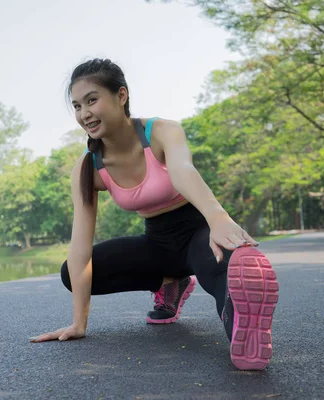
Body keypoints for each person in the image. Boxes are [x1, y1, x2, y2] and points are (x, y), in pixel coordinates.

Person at [30, 58, 279, 371]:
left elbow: (183, 171)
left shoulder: (161, 131)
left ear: (121, 95)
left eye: (92, 100)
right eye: (77, 106)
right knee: (72, 272)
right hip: (157, 246)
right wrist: (78, 323)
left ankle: (244, 334)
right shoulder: (88, 166)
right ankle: (169, 283)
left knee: (223, 277)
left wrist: (218, 219)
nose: (84, 114)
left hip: (198, 235)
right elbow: (80, 244)